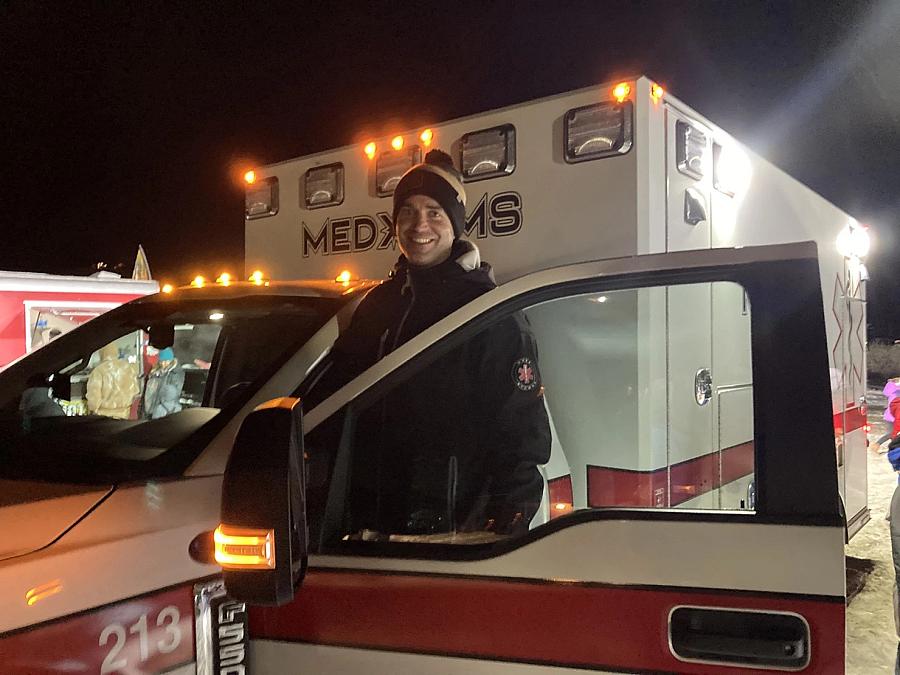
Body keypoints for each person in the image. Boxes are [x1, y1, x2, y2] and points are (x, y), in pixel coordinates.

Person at [315, 149, 551, 537]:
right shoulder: (378, 305)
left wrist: (504, 528)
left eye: (434, 212)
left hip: (452, 533)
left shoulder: (491, 314)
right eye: (407, 211)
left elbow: (522, 433)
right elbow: (335, 398)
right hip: (367, 529)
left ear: (455, 223)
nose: (418, 224)